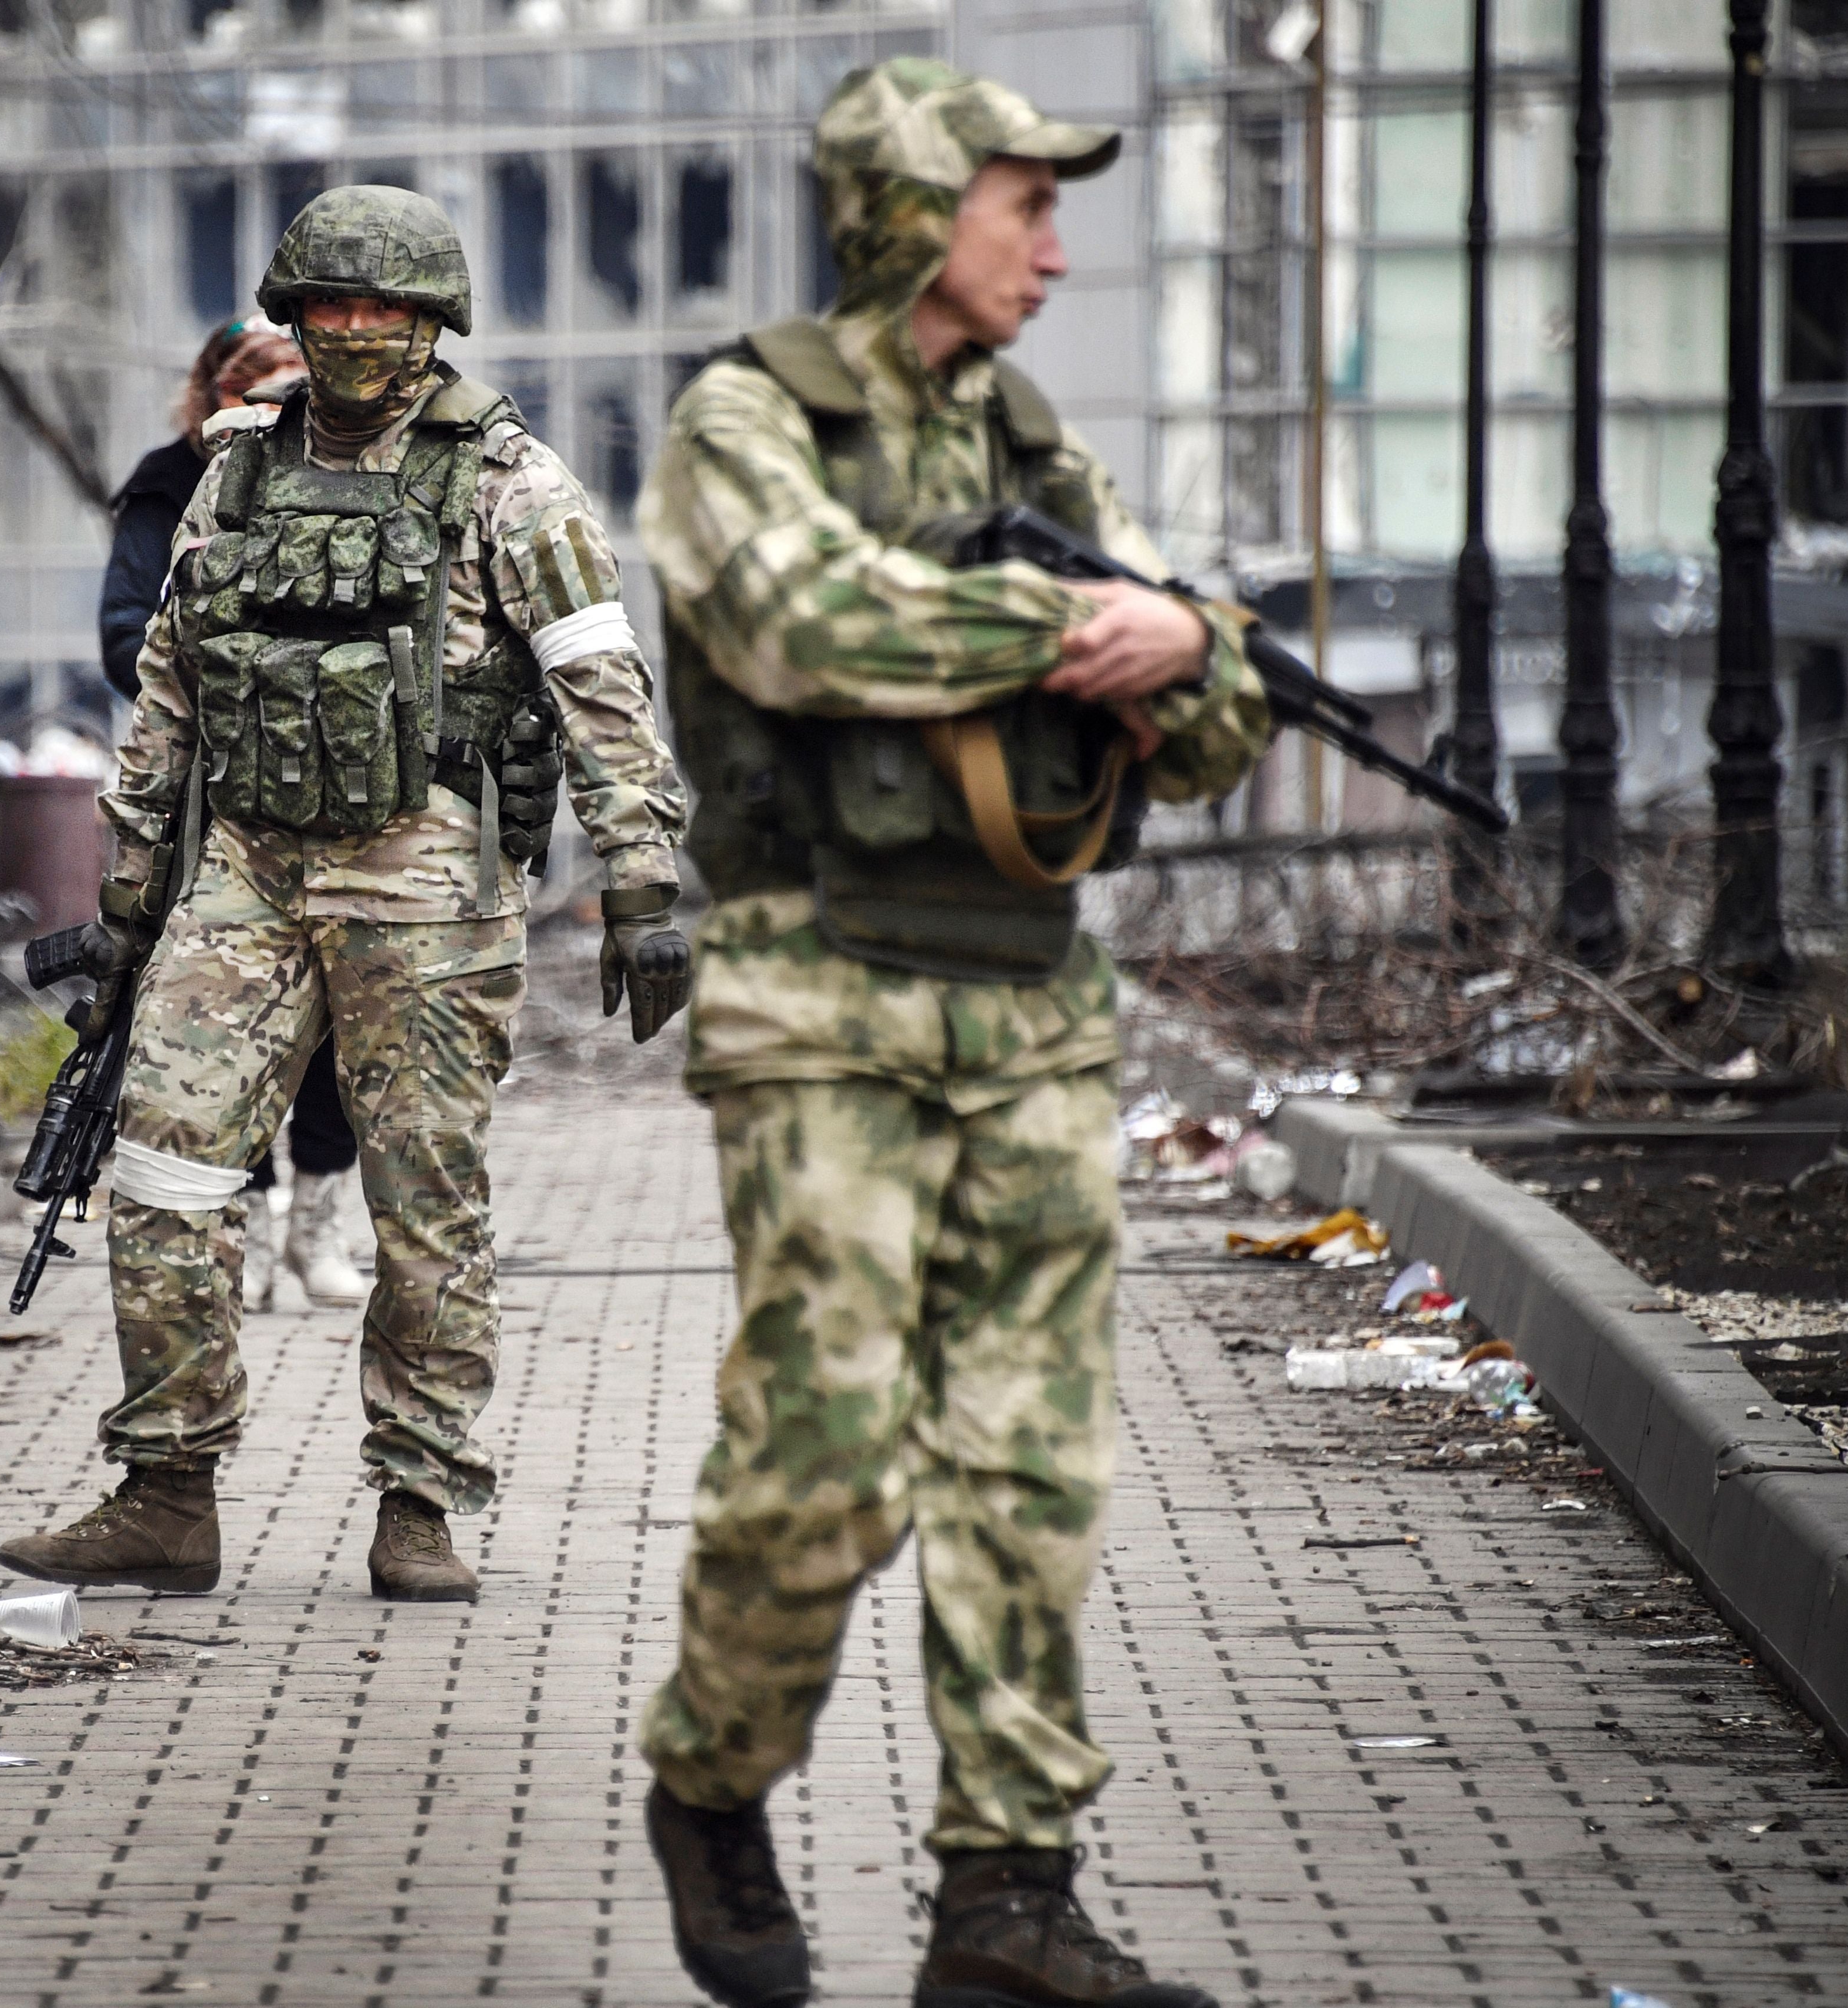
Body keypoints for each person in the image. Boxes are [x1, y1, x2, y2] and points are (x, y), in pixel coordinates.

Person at [630, 61, 1269, 2008]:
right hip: (818, 991)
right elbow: (804, 626)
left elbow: (1215, 722)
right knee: (828, 1456)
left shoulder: (1036, 448)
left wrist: (1192, 645)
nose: (1055, 252)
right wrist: (1095, 632)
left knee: (1027, 1466)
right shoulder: (746, 416)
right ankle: (710, 1778)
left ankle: (1006, 1892)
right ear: (914, 212)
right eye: (1025, 208)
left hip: (1030, 1003)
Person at [0, 185, 691, 1605]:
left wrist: (640, 878)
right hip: (245, 876)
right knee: (163, 1174)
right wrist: (127, 901)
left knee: (425, 1203)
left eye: (387, 308)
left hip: (427, 888)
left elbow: (600, 684)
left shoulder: (509, 483)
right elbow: (169, 695)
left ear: (434, 323)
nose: (358, 330)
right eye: (331, 304)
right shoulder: (236, 474)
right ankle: (166, 1491)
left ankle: (419, 1501)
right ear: (292, 315)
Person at [99, 320, 366, 1310]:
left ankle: (318, 1221)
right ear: (212, 394)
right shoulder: (172, 484)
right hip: (213, 797)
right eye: (251, 386)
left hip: (343, 796)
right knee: (220, 1025)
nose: (276, 405)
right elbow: (127, 635)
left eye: (293, 381)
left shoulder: (360, 474)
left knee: (341, 1016)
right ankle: (245, 1221)